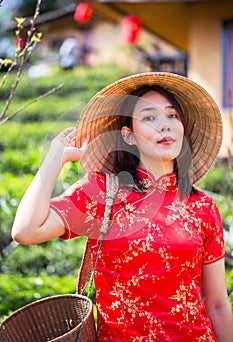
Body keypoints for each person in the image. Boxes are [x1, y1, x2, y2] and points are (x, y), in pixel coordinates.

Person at [12, 72, 233, 341]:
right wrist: (55, 158)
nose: (165, 125)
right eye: (149, 118)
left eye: (172, 115)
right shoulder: (102, 193)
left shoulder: (203, 207)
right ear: (128, 135)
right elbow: (25, 230)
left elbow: (217, 304)